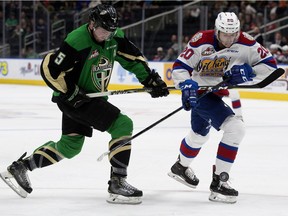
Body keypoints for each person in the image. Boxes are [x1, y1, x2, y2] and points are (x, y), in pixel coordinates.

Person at [0, 4, 169, 204]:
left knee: (70, 146)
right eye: (102, 30)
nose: (106, 35)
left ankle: (21, 167)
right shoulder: (76, 41)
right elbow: (50, 69)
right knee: (122, 124)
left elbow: (132, 60)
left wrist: (150, 80)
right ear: (92, 23)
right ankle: (118, 182)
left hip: (89, 98)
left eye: (110, 31)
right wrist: (72, 93)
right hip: (76, 100)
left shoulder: (115, 36)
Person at [168, 12, 277, 203]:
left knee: (199, 134)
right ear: (217, 31)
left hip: (218, 92)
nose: (229, 39)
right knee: (236, 128)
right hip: (201, 92)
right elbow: (180, 66)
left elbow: (271, 67)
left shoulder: (246, 42)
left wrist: (249, 72)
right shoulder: (201, 40)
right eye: (225, 34)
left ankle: (180, 167)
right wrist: (186, 85)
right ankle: (219, 182)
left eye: (233, 34)